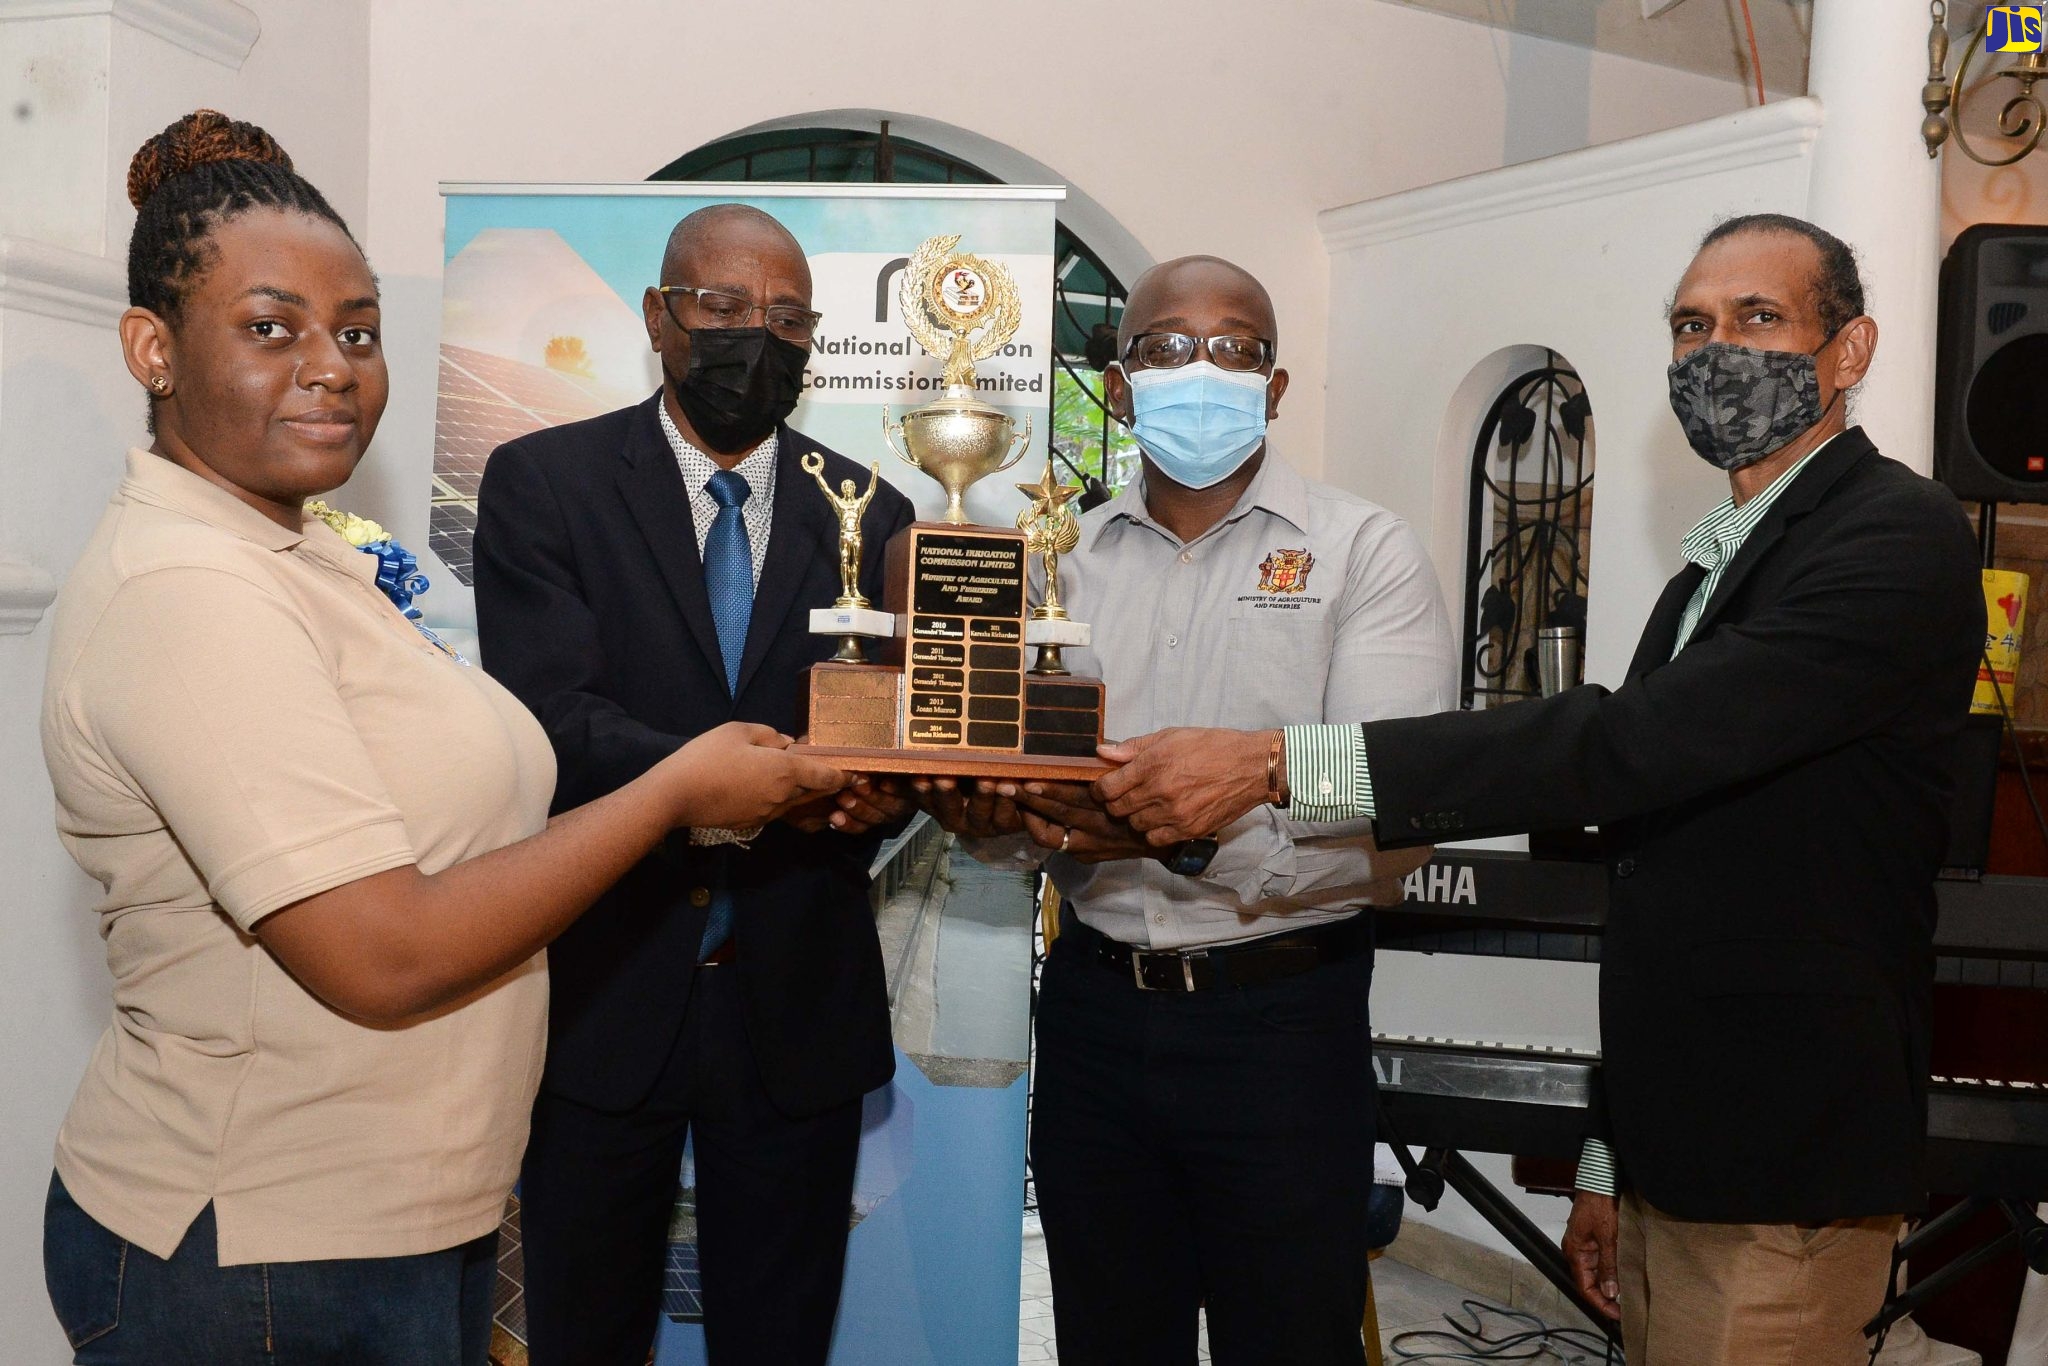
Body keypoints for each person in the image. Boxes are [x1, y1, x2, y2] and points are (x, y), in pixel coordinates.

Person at [1081, 216, 1984, 1365]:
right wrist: (1608, 1156)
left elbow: (1622, 748)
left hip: (1780, 1158)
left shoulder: (1892, 536)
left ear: (1847, 351)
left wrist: (1274, 762)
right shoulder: (1718, 566)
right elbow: (1669, 871)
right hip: (1678, 1147)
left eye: (1757, 319)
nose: (1716, 352)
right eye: (1688, 326)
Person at [38, 112, 843, 1366]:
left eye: (356, 330)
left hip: (390, 1221)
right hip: (263, 1250)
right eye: (269, 329)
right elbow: (384, 953)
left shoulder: (297, 553)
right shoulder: (189, 591)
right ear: (153, 347)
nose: (331, 366)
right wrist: (679, 787)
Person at [918, 256, 1455, 1365]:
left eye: (1232, 347)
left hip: (1280, 1023)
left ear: (1275, 382)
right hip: (1093, 1015)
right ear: (1117, 386)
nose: (1198, 369)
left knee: (1287, 1341)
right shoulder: (1053, 563)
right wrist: (990, 814)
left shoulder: (1363, 551)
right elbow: (1022, 792)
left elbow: (1387, 806)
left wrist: (1180, 832)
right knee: (1110, 1340)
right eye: (1164, 347)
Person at [472, 203, 918, 1366]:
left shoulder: (878, 513)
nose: (753, 340)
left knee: (778, 1337)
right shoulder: (542, 483)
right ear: (659, 318)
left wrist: (882, 796)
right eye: (722, 310)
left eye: (785, 319)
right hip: (603, 991)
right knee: (585, 1330)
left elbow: (902, 727)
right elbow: (550, 722)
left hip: (796, 996)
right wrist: (735, 780)